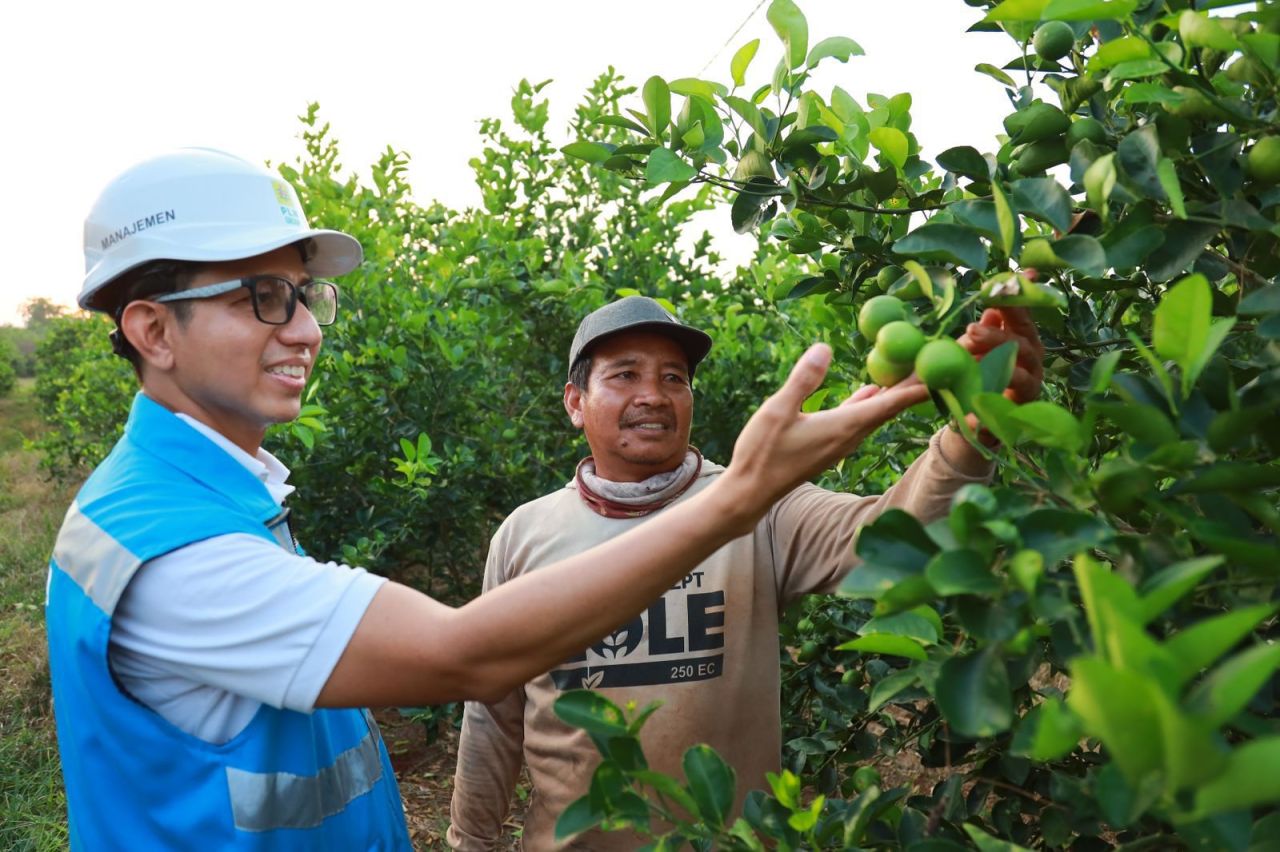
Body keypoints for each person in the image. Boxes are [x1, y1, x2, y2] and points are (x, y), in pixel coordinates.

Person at [44, 148, 941, 850]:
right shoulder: (172, 554)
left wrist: (966, 434)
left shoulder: (219, 505)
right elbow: (469, 664)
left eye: (306, 296)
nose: (308, 329)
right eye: (266, 298)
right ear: (154, 330)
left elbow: (895, 539)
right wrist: (741, 493)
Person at [448, 296, 1044, 849]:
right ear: (575, 403)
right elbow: (493, 712)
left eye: (673, 378)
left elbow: (895, 539)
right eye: (625, 374)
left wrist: (973, 433)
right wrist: (470, 841)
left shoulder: (757, 506)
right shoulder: (525, 535)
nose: (653, 394)